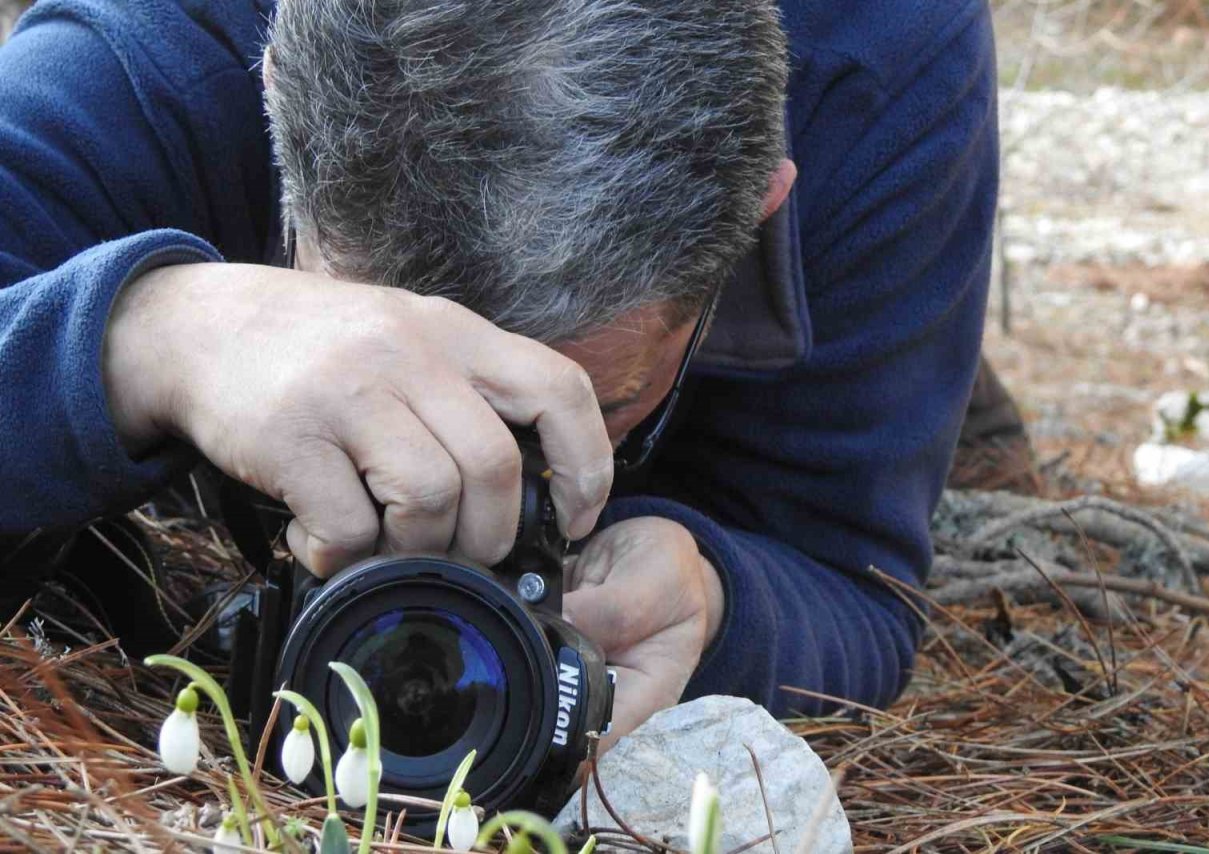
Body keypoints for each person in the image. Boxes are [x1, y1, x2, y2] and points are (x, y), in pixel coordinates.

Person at [0, 0, 998, 744]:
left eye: (581, 408)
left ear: (762, 212)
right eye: (363, 347)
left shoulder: (881, 69)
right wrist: (150, 333)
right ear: (272, 99)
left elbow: (850, 573)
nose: (455, 478)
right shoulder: (172, 41)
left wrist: (720, 597)